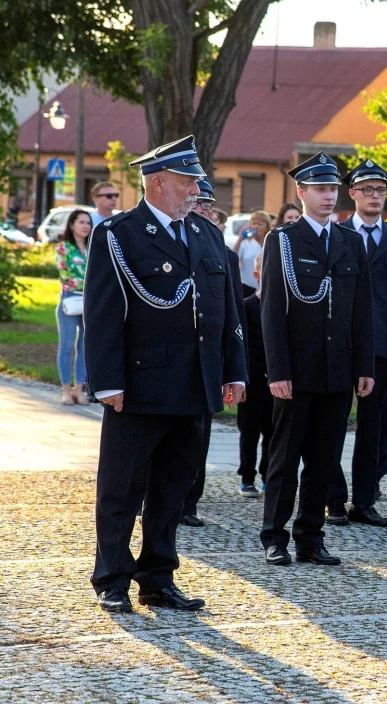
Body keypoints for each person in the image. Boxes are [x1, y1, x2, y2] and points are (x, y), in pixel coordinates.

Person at [83, 135, 247, 613]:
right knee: (122, 487)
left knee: (173, 490)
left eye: (197, 180)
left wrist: (233, 370)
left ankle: (157, 577)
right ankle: (112, 576)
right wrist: (108, 382)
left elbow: (227, 311)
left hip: (195, 383)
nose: (197, 189)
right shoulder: (119, 234)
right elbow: (103, 312)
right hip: (140, 384)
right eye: (187, 180)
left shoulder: (205, 234)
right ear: (157, 182)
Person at [259, 151, 375, 568]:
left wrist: (364, 366)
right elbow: (271, 311)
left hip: (337, 370)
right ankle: (275, 535)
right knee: (284, 458)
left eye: (333, 189)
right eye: (321, 189)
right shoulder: (284, 241)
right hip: (297, 369)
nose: (329, 196)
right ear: (302, 192)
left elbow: (362, 311)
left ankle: (311, 535)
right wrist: (278, 370)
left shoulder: (349, 242)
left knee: (324, 460)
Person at [333, 159, 387, 528]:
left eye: (380, 190)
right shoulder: (335, 235)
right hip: (340, 345)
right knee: (331, 425)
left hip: (383, 349)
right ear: (352, 194)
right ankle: (332, 499)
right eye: (367, 189)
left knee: (375, 428)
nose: (375, 196)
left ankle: (364, 500)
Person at [180, 179, 247, 526]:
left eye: (207, 203)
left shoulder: (222, 248)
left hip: (210, 358)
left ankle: (191, 500)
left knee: (199, 434)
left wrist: (233, 366)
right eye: (197, 202)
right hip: (175, 355)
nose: (202, 209)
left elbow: (232, 310)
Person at [238, 252, 273, 494]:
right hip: (253, 382)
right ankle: (246, 476)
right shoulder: (248, 306)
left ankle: (268, 474)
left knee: (273, 433)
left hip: (276, 382)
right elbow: (242, 347)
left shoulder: (282, 308)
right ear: (257, 275)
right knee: (249, 432)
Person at [55, 208, 92, 405]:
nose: (86, 226)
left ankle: (79, 389)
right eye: (81, 222)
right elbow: (66, 276)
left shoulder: (92, 247)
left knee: (85, 347)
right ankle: (66, 390)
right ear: (71, 225)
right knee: (67, 346)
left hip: (90, 302)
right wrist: (89, 283)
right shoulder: (63, 247)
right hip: (70, 300)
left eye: (88, 222)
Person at [234, 210, 270, 297]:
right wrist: (239, 239)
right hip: (246, 288)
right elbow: (233, 259)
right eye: (254, 223)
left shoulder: (270, 243)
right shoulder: (245, 243)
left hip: (266, 288)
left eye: (260, 224)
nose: (256, 227)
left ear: (267, 227)